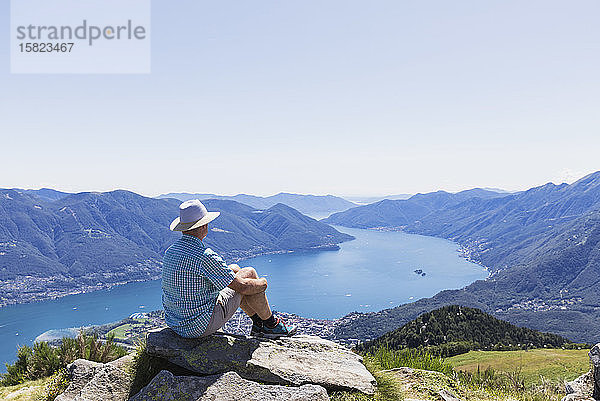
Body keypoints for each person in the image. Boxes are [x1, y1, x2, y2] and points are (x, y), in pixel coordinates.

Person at [162, 199, 297, 338]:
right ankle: (271, 324)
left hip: (176, 323)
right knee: (249, 274)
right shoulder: (204, 256)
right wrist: (263, 283)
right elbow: (242, 287)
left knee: (234, 269)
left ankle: (258, 323)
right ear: (203, 226)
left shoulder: (171, 251)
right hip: (198, 327)